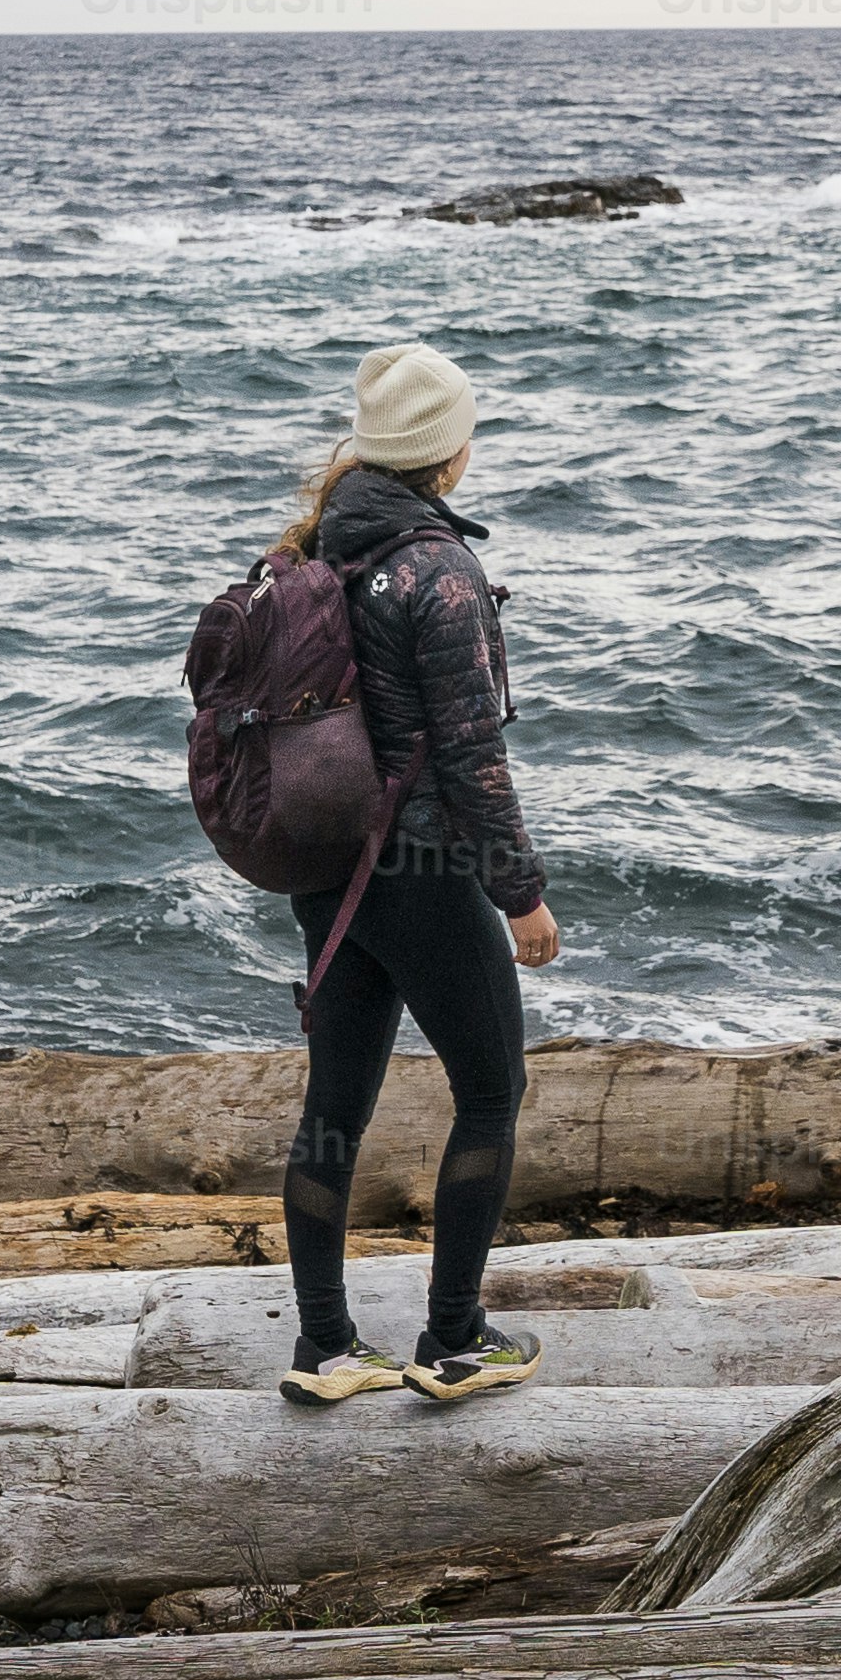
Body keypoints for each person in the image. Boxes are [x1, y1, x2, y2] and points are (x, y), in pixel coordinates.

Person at [267, 337, 559, 1407]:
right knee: (490, 1090)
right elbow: (472, 755)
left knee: (335, 1103)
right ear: (448, 454)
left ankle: (326, 1348)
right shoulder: (437, 568)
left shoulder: (317, 548)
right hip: (424, 865)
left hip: (331, 864)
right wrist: (519, 892)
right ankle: (453, 1342)